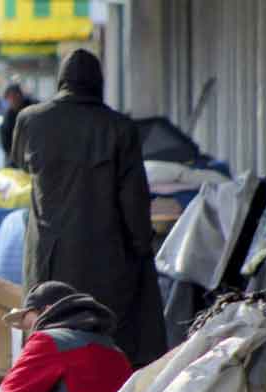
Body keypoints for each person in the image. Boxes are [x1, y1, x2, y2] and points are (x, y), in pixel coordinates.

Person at [10, 49, 167, 368]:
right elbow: (134, 201)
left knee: (49, 342)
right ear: (99, 83)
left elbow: (20, 164)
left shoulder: (30, 120)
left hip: (47, 262)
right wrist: (142, 247)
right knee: (107, 345)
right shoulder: (121, 128)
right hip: (106, 261)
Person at [0, 281, 133, 392]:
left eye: (28, 322)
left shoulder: (48, 341)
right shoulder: (117, 352)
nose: (30, 331)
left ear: (46, 310)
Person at [0, 83, 37, 157]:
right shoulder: (9, 115)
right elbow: (5, 137)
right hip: (16, 157)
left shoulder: (33, 108)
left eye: (14, 96)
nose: (12, 100)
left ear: (20, 95)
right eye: (9, 98)